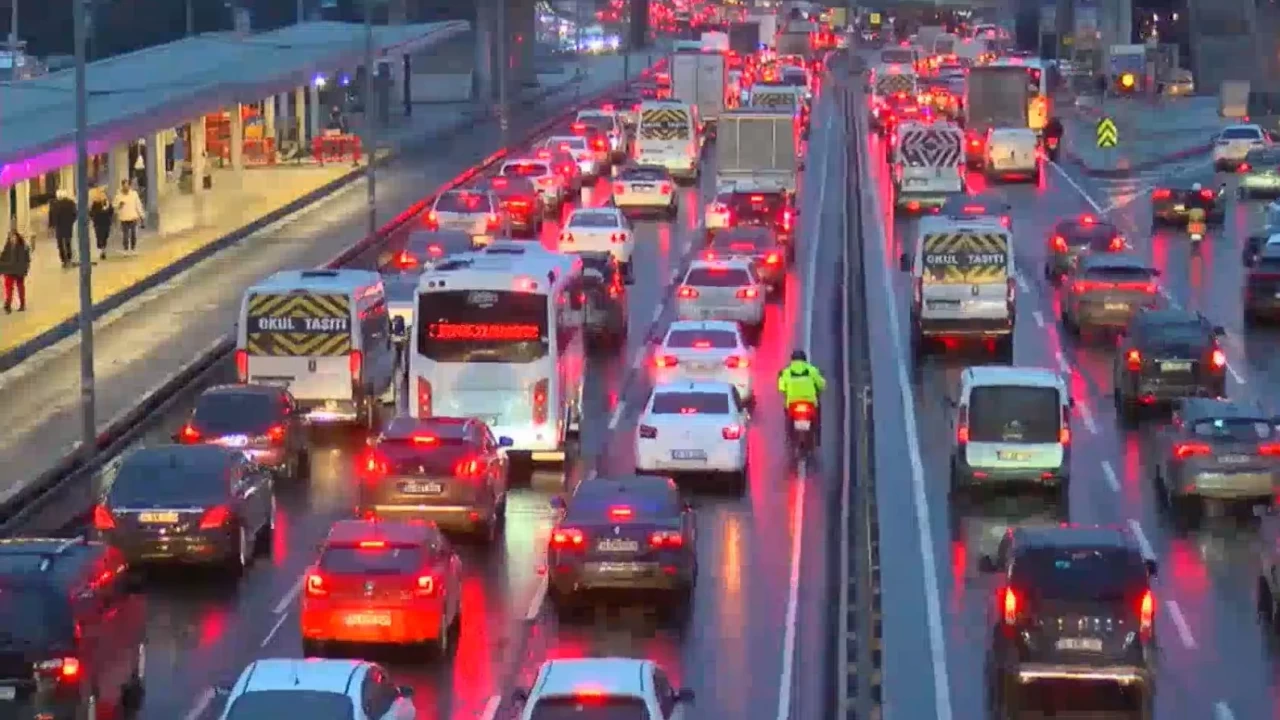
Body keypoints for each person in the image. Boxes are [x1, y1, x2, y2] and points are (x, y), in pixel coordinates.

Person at [777, 349, 827, 443]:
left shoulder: (787, 372)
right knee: (817, 415)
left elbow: (781, 388)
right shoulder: (811, 370)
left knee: (788, 416)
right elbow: (821, 384)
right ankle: (817, 436)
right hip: (810, 402)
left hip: (792, 403)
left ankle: (788, 435)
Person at [0, 229, 31, 313]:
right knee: (9, 287)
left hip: (18, 271)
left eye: (13, 237)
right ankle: (8, 304)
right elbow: (3, 258)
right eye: (10, 237)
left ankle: (22, 304)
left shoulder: (23, 246)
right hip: (9, 270)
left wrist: (25, 270)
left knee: (20, 287)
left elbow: (26, 260)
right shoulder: (8, 246)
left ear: (17, 237)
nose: (12, 239)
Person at [47, 188, 77, 268]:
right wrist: (71, 221)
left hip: (59, 226)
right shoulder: (71, 203)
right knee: (68, 242)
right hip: (68, 225)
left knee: (60, 243)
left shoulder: (54, 204)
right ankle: (69, 257)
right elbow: (75, 214)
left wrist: (51, 225)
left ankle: (64, 259)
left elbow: (51, 215)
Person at [115, 180, 145, 253]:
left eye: (127, 186)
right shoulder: (118, 196)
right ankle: (125, 249)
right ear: (122, 186)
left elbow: (138, 205)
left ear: (129, 186)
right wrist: (119, 206)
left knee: (133, 234)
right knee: (125, 235)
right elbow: (115, 206)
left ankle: (133, 248)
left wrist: (142, 216)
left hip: (133, 217)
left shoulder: (134, 194)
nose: (126, 187)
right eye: (124, 186)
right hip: (124, 218)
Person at [89, 187, 115, 260]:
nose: (102, 196)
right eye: (101, 194)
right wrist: (94, 216)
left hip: (106, 222)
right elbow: (91, 213)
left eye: (104, 194)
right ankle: (101, 250)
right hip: (98, 222)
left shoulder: (107, 203)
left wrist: (109, 208)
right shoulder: (95, 203)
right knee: (99, 236)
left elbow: (111, 212)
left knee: (105, 236)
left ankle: (103, 249)